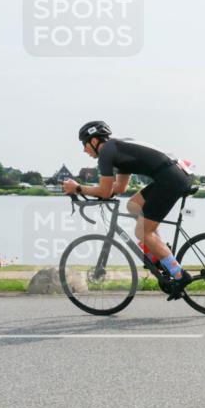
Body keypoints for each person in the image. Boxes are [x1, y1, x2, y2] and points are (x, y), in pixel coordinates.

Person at [66, 121, 193, 299]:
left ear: (94, 141)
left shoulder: (106, 153)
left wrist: (78, 188)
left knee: (142, 233)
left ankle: (179, 275)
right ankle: (159, 251)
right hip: (174, 175)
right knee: (133, 205)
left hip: (170, 180)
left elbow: (104, 190)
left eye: (84, 144)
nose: (84, 150)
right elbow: (119, 188)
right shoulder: (116, 149)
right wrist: (93, 192)